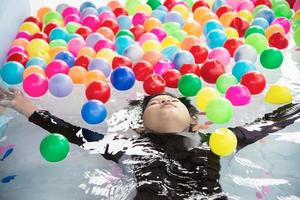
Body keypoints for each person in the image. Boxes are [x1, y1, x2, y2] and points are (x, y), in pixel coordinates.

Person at [1, 86, 300, 200]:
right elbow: (72, 133)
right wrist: (21, 104)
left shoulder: (217, 140)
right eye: (156, 102)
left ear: (193, 121)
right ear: (142, 124)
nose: (165, 99)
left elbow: (268, 124)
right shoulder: (125, 146)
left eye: (171, 99)